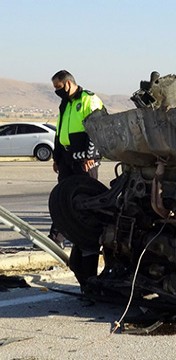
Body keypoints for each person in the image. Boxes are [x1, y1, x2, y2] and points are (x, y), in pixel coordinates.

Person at [50, 70, 105, 288]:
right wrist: (56, 157)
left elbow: (98, 129)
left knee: (85, 203)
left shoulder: (88, 99)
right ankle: (58, 235)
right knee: (63, 201)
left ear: (70, 83)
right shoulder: (65, 104)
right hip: (66, 158)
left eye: (59, 87)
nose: (58, 92)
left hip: (84, 159)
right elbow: (59, 131)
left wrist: (91, 156)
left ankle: (87, 242)